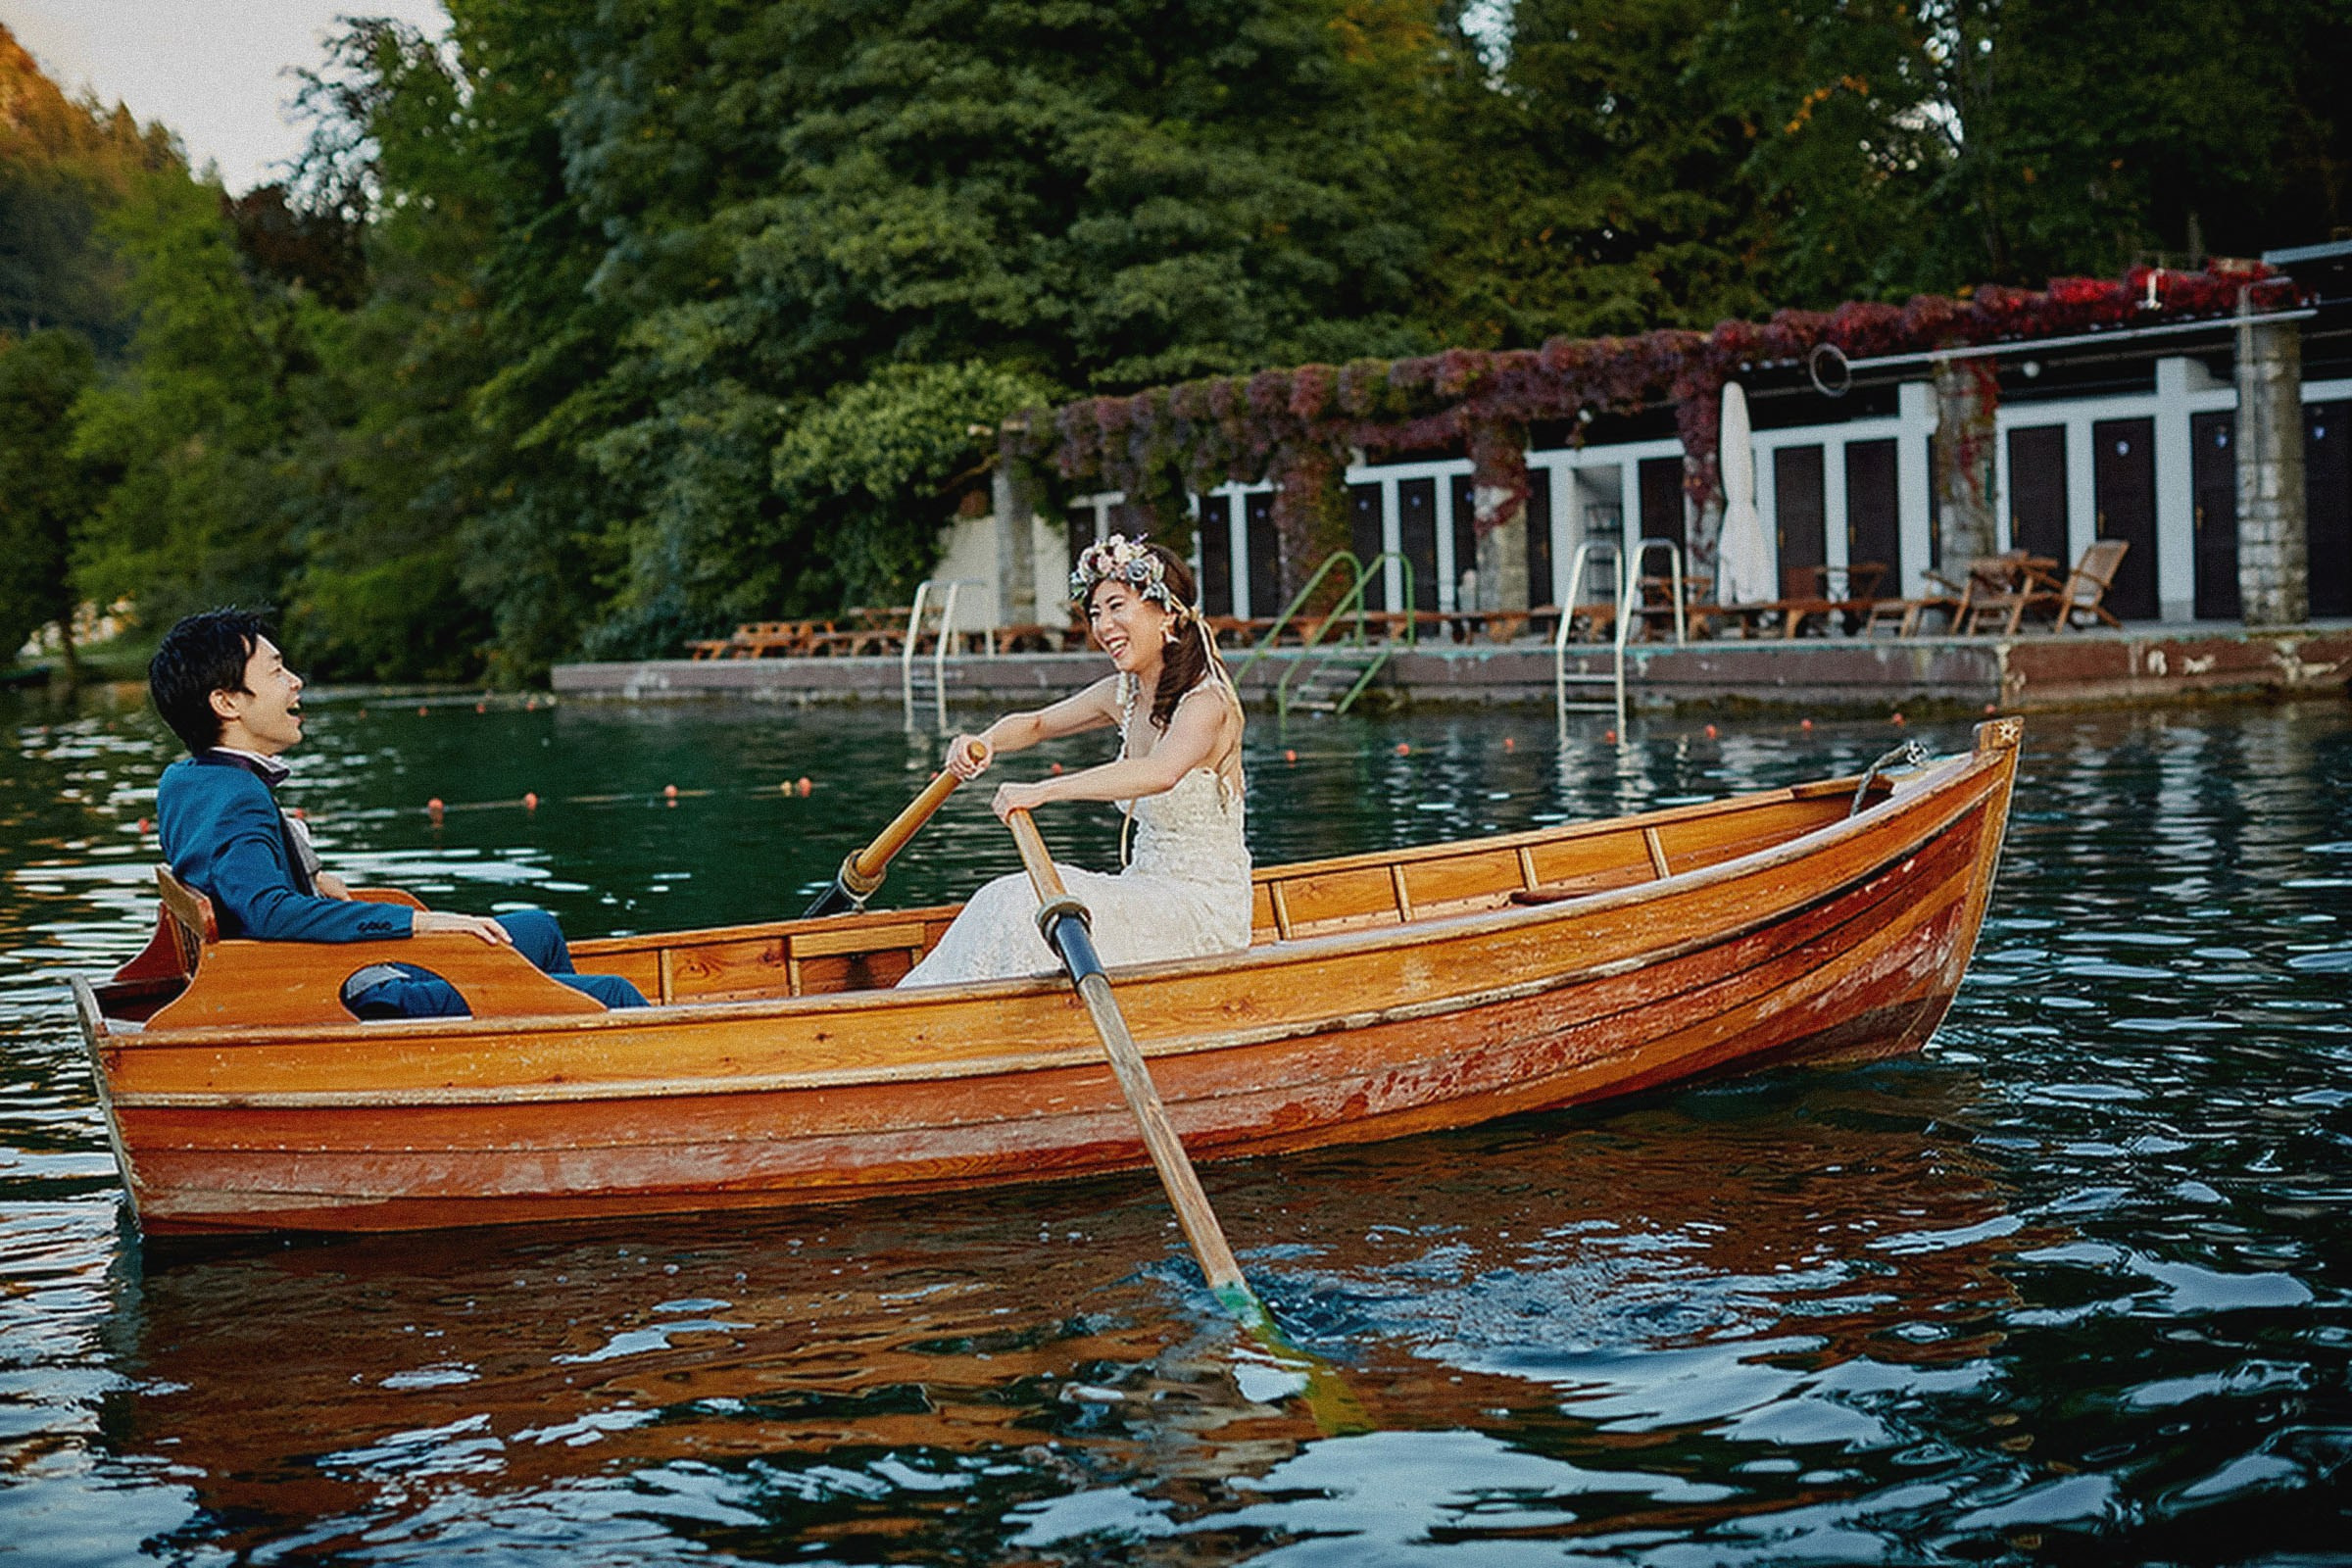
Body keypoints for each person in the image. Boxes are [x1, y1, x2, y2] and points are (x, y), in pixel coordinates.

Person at [147, 609, 648, 1018]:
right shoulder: (238, 797)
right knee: (615, 993)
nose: (296, 682)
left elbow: (231, 877)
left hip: (307, 974)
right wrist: (425, 924)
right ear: (227, 703)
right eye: (277, 670)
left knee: (538, 928)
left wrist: (310, 879)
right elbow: (268, 911)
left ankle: (552, 1050)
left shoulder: (188, 780)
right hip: (348, 997)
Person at [900, 535, 1251, 986]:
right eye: (1096, 613)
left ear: (1167, 614)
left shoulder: (1207, 702)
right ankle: (920, 1015)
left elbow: (1160, 773)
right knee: (1004, 898)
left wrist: (1045, 790)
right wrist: (984, 741)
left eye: (1117, 606)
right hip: (1143, 889)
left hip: (1199, 909)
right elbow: (1039, 724)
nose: (1103, 626)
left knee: (1017, 906)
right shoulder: (1123, 694)